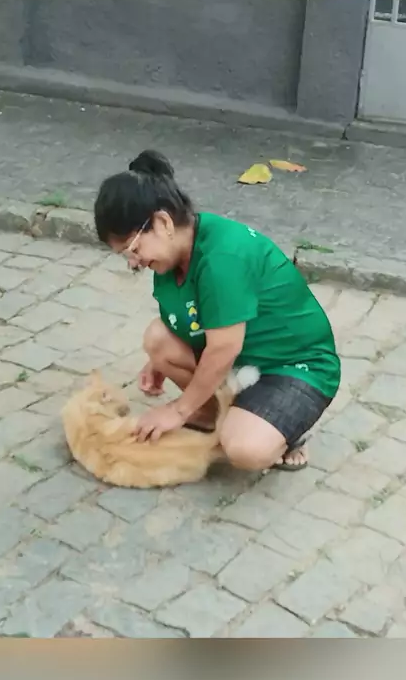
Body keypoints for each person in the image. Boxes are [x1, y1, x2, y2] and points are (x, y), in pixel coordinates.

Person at [94, 150, 340, 472]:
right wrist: (157, 363)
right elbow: (192, 319)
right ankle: (222, 416)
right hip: (243, 363)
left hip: (291, 366)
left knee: (245, 450)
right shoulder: (171, 259)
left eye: (134, 249)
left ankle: (290, 430)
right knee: (158, 339)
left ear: (163, 222)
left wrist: (178, 410)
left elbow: (224, 347)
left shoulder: (222, 258)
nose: (133, 262)